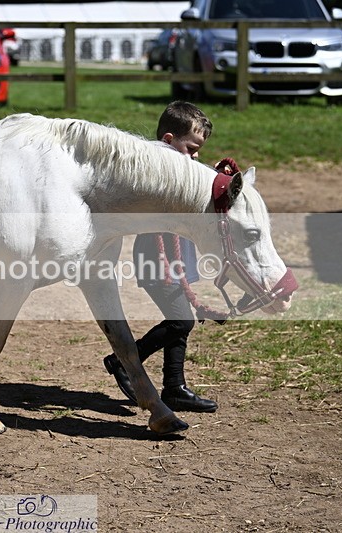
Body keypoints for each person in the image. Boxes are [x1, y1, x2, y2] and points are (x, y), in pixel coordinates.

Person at [103, 101, 238, 413]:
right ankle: (124, 361)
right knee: (181, 321)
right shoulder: (154, 174)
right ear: (167, 141)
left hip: (179, 253)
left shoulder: (182, 171)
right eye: (190, 149)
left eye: (199, 151)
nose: (194, 157)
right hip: (158, 255)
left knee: (179, 321)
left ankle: (175, 386)